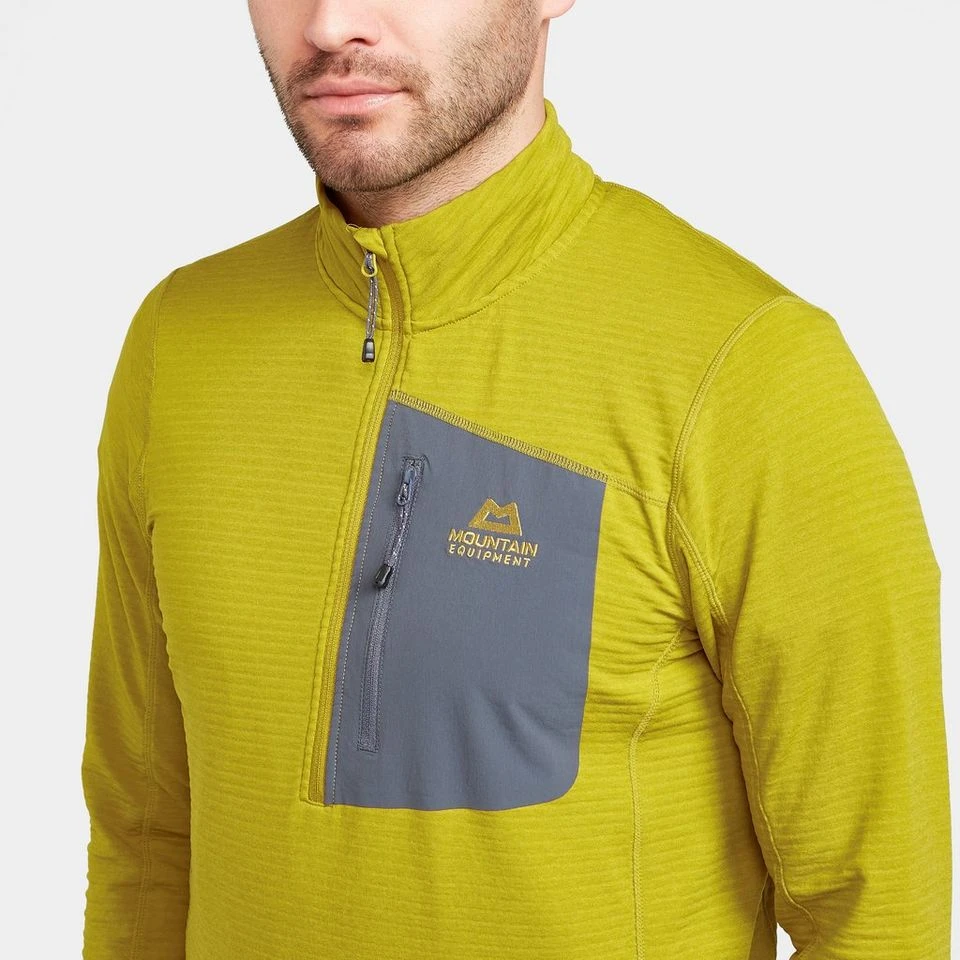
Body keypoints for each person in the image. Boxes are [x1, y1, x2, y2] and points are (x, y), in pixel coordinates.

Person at [79, 1, 951, 958]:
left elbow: (877, 918)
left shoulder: (749, 369)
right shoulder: (179, 343)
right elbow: (143, 842)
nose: (329, 24)